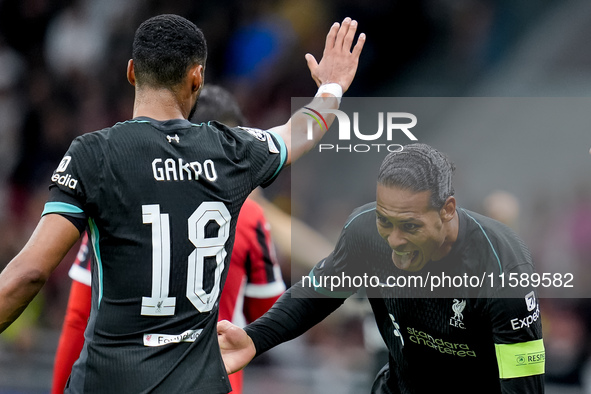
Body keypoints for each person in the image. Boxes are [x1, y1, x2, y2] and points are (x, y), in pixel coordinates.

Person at [0, 14, 365, 394]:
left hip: (109, 381)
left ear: (131, 72)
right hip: (200, 384)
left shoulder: (93, 155)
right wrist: (332, 89)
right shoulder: (231, 152)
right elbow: (298, 134)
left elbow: (30, 273)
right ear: (196, 78)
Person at [218, 143, 545, 393]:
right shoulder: (366, 233)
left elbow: (524, 387)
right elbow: (316, 294)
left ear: (447, 210)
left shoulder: (504, 270)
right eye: (385, 221)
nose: (395, 240)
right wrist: (254, 339)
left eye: (410, 226)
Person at [50, 85, 286, 394]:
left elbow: (79, 316)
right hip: (212, 382)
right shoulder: (252, 217)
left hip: (124, 379)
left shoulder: (112, 200)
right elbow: (267, 312)